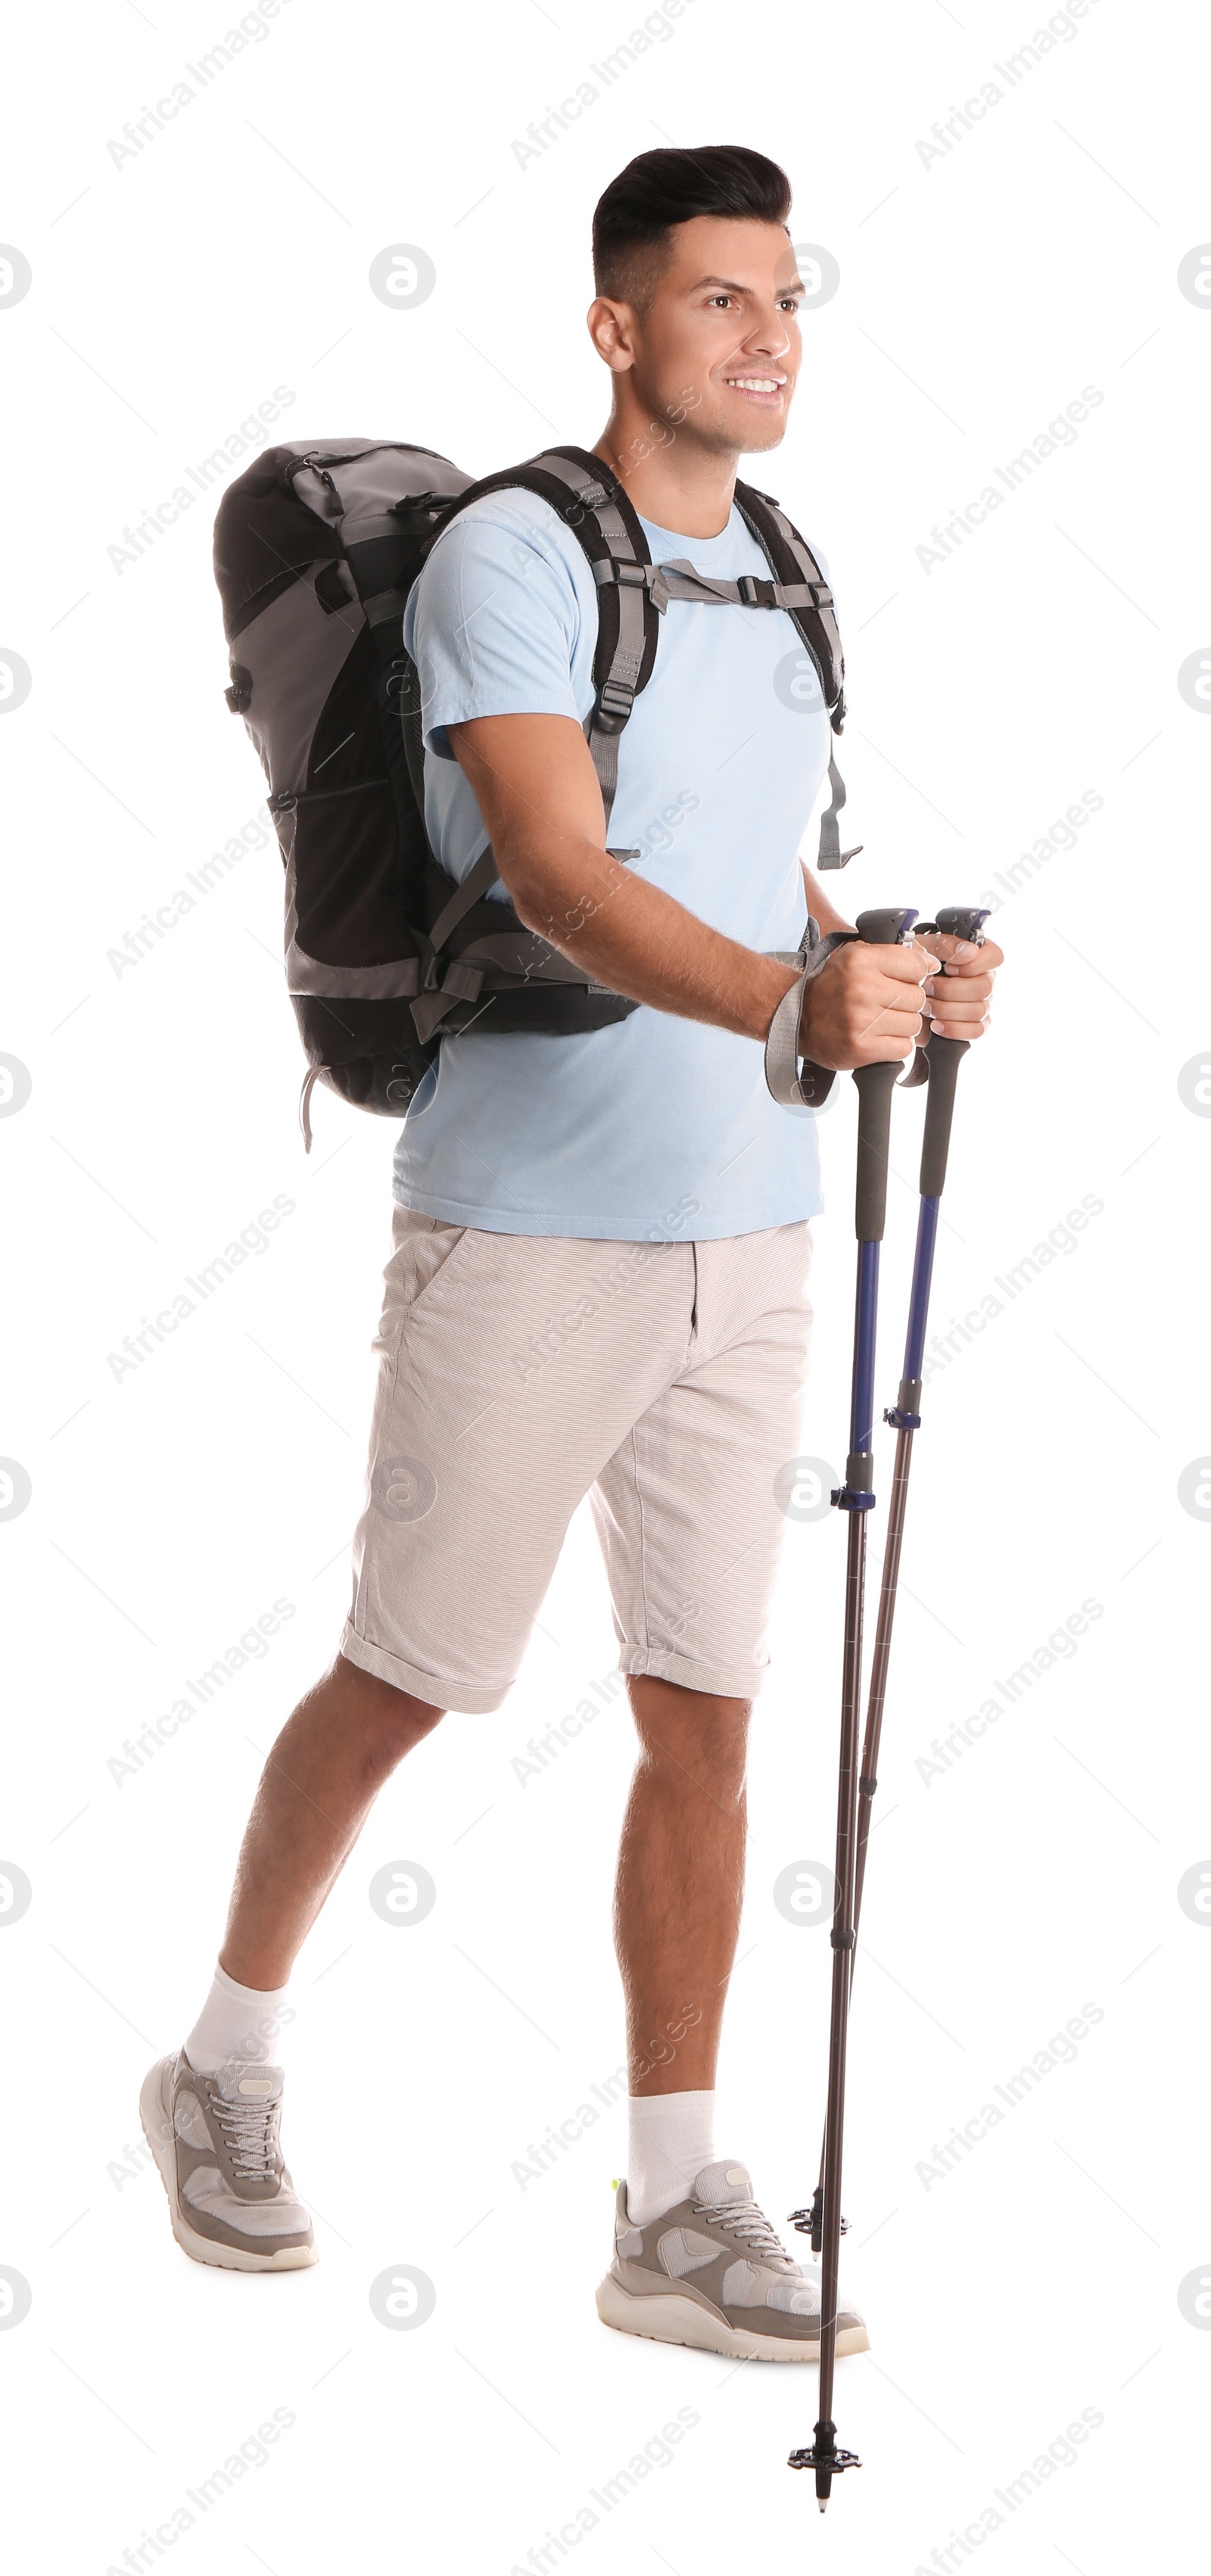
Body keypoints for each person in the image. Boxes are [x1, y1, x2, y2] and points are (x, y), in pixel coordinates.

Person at [142, 143, 1001, 2357]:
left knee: (706, 1722)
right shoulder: (517, 558)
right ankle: (218, 2068)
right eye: (719, 302)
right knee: (411, 1675)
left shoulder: (784, 572)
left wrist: (885, 968)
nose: (770, 334)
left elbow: (759, 869)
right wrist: (794, 1003)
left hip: (756, 1231)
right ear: (617, 326)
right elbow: (552, 869)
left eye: (786, 297)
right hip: (527, 1233)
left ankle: (669, 2203)